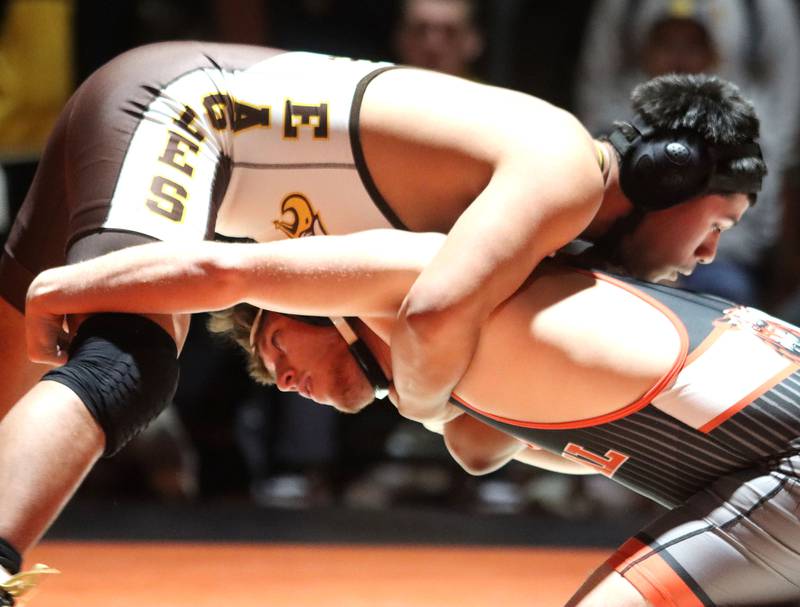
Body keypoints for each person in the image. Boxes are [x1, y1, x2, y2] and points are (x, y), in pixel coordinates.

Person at [0, 40, 763, 584]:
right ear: (671, 178)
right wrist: (422, 390)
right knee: (124, 364)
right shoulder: (563, 169)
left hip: (184, 129)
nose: (706, 256)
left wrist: (444, 390)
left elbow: (478, 436)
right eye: (717, 225)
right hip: (181, 109)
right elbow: (433, 319)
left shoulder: (550, 243)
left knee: (15, 382)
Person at [26, 223, 800, 606]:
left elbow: (220, 267)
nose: (282, 378)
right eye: (270, 376)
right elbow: (476, 451)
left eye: (274, 341)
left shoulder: (432, 275)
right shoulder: (456, 375)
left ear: (320, 302)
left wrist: (56, 290)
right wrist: (417, 395)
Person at [575, 0, 800, 306]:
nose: (679, 58)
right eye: (666, 44)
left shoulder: (747, 135)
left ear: (714, 54)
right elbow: (594, 79)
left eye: (694, 46)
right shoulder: (575, 167)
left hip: (729, 266)